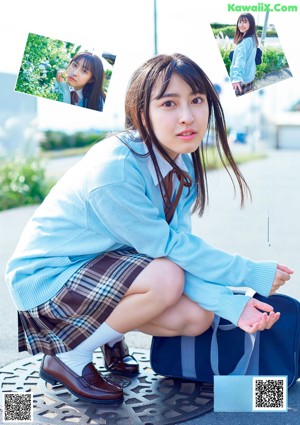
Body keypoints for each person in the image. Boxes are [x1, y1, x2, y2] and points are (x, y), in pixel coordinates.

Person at [5, 53, 293, 404]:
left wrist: (228, 302)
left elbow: (181, 247)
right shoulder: (115, 168)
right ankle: (68, 355)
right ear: (143, 113)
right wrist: (248, 274)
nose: (187, 116)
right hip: (47, 281)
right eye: (169, 103)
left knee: (197, 316)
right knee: (166, 278)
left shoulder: (180, 162)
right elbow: (167, 251)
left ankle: (108, 336)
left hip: (103, 268)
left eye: (197, 100)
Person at [230, 13, 259, 96]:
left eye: (245, 22)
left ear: (251, 24)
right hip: (250, 78)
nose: (241, 25)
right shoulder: (253, 38)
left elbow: (240, 60)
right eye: (239, 22)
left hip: (240, 81)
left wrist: (236, 78)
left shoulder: (245, 42)